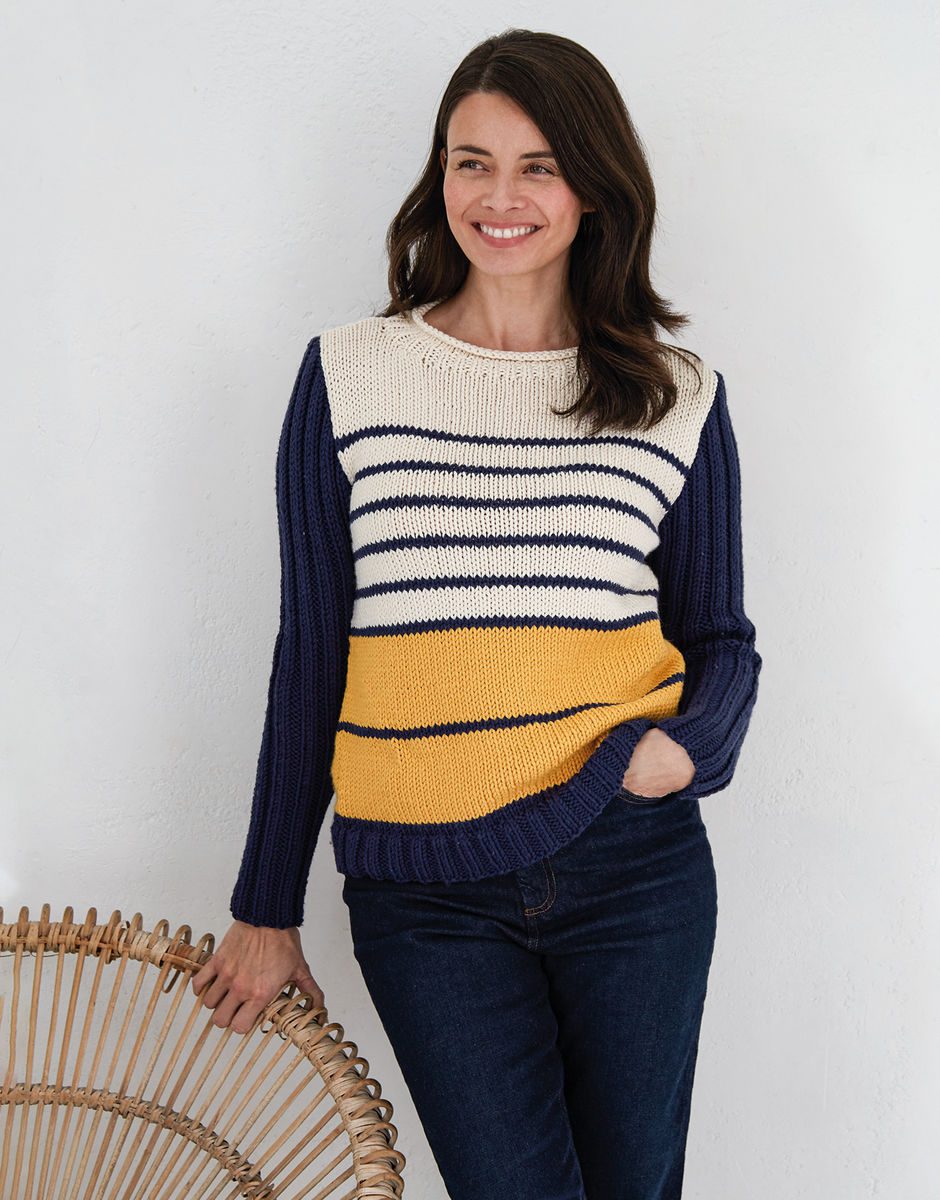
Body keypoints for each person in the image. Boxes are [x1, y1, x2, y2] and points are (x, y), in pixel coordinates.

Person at [192, 27, 762, 1200]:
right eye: (471, 163)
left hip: (630, 867)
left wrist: (682, 753)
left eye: (538, 166)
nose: (499, 198)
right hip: (425, 897)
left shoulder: (673, 395)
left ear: (593, 188)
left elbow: (720, 640)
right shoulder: (349, 375)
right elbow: (315, 655)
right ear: (438, 177)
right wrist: (265, 905)